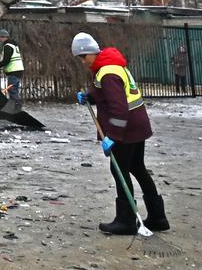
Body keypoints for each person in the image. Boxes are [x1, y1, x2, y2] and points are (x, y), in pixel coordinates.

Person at [72, 32, 169, 236]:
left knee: (120, 171)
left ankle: (126, 221)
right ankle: (158, 217)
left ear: (89, 53)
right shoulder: (112, 65)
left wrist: (113, 136)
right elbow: (107, 93)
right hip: (137, 126)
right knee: (138, 167)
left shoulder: (107, 72)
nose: (82, 62)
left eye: (82, 57)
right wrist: (89, 96)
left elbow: (119, 108)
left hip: (126, 130)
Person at [0, 28, 24, 105]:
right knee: (14, 89)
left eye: (0, 37)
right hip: (18, 70)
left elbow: (6, 60)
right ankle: (15, 106)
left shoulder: (7, 46)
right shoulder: (14, 45)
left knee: (12, 89)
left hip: (13, 71)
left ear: (4, 37)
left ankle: (16, 106)